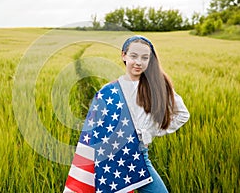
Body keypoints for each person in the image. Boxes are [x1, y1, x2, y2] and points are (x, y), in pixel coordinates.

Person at [64, 35, 190, 193]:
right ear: (124, 55)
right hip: (111, 156)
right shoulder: (109, 90)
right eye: (134, 56)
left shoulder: (157, 86)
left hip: (138, 155)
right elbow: (96, 128)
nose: (139, 62)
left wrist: (151, 132)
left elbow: (182, 114)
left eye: (145, 58)